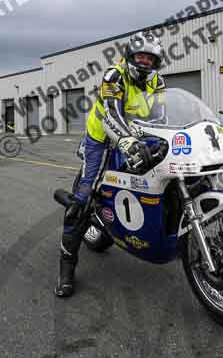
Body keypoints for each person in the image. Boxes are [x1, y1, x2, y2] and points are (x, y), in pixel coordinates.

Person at [55, 32, 166, 298]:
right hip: (103, 138)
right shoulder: (114, 76)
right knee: (82, 201)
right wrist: (127, 142)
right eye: (140, 56)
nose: (144, 62)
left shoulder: (158, 82)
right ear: (129, 56)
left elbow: (163, 116)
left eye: (150, 58)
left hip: (138, 134)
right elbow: (112, 112)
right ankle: (66, 268)